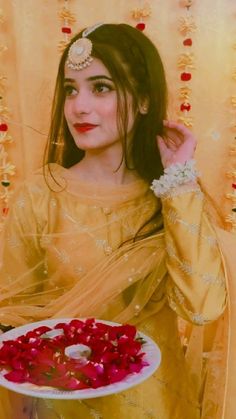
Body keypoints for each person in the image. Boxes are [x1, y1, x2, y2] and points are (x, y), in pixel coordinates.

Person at [0, 23, 227, 419]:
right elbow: (12, 320)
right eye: (71, 89)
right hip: (60, 405)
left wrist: (179, 183)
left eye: (100, 87)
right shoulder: (40, 196)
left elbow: (202, 307)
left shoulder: (171, 196)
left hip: (155, 405)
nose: (79, 106)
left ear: (142, 100)